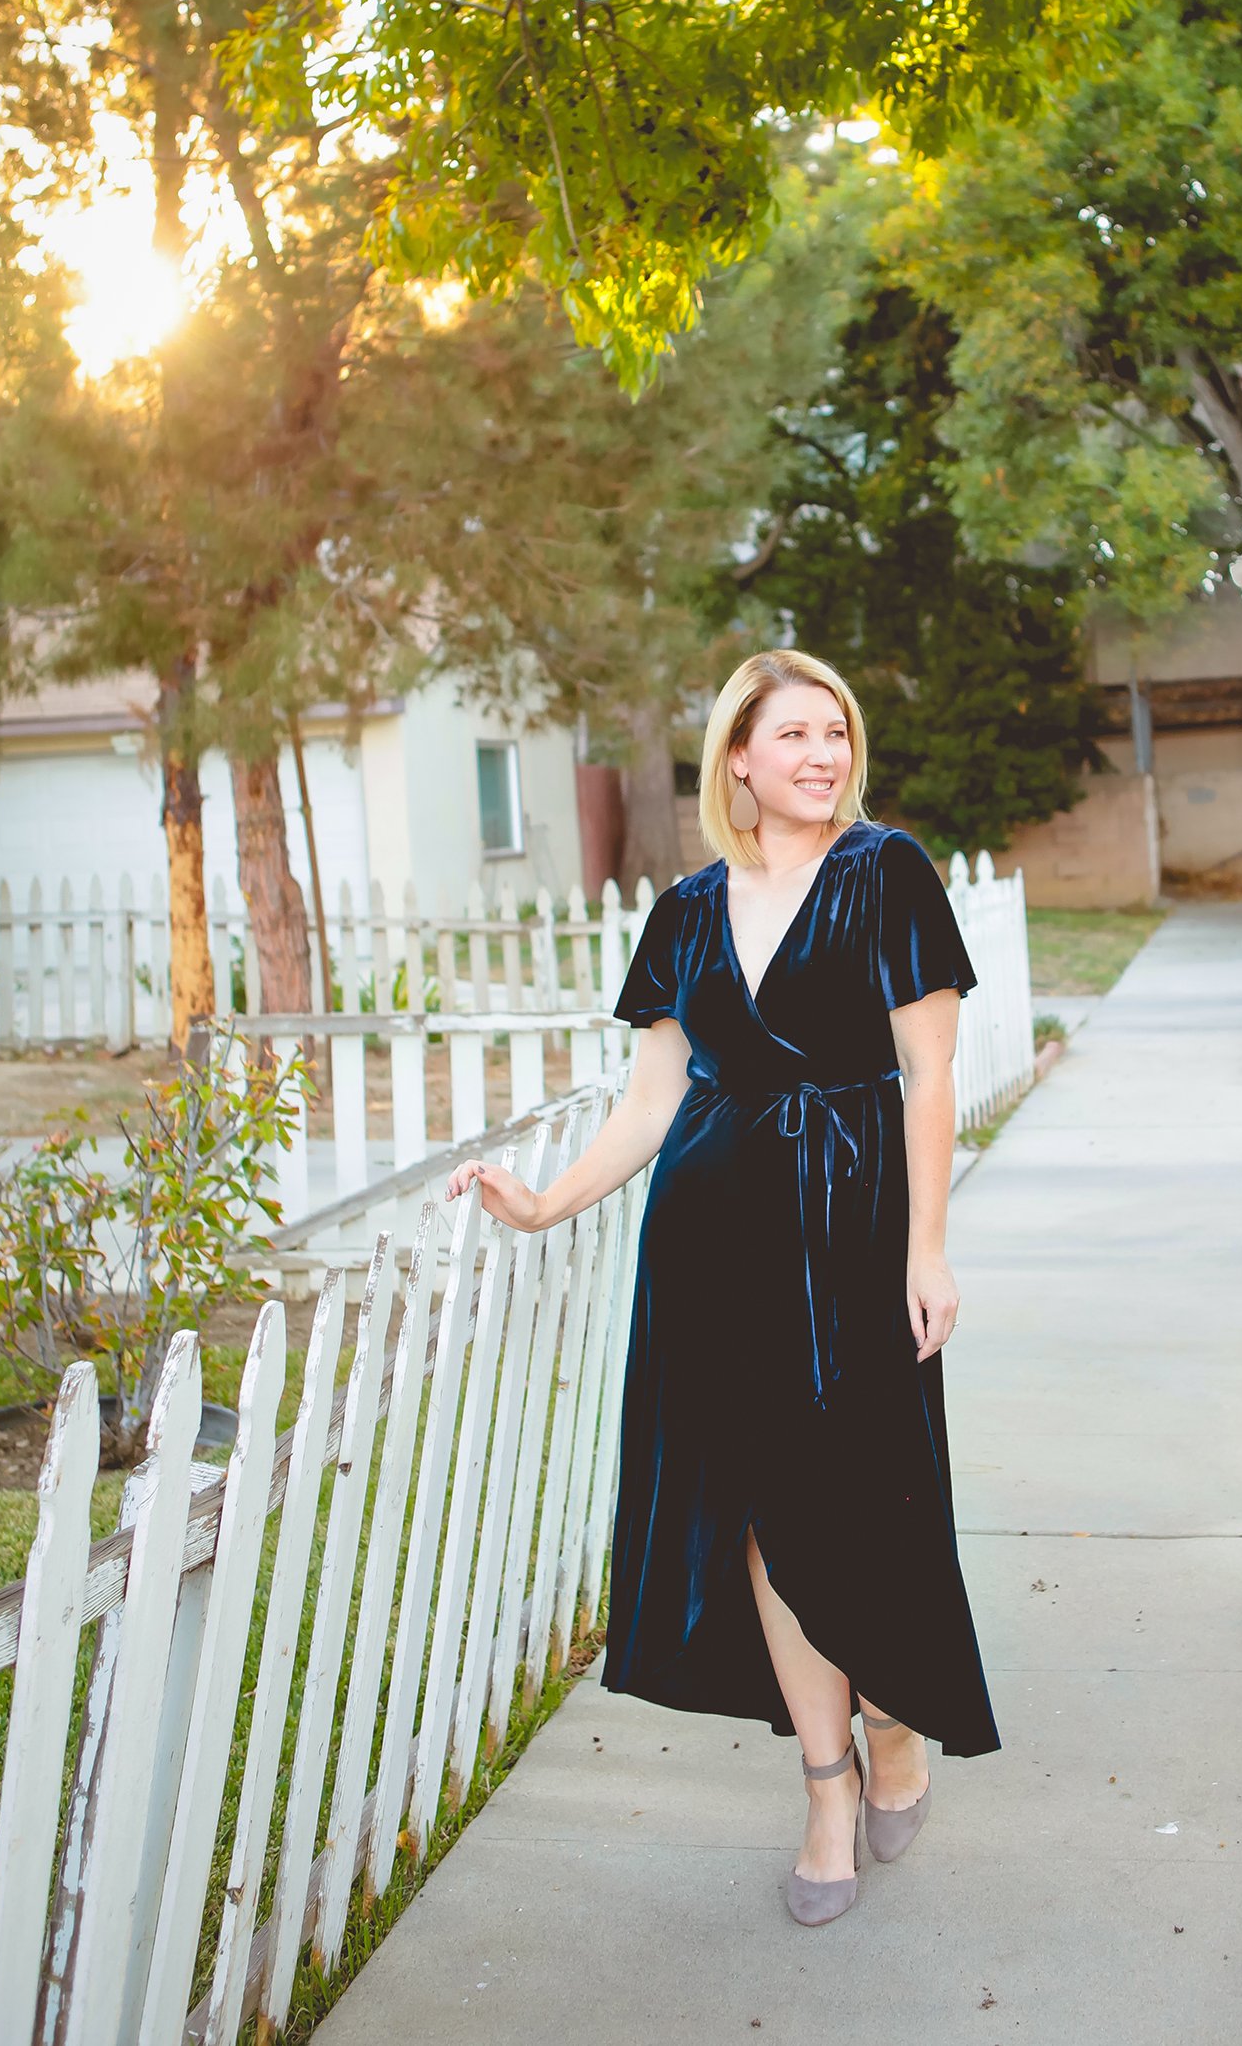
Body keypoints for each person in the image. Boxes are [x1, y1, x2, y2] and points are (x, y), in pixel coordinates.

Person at [447, 647, 999, 1927]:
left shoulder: (887, 872)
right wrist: (545, 1201)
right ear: (736, 760)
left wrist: (926, 1247)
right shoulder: (688, 908)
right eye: (793, 735)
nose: (822, 755)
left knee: (863, 1504)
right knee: (757, 1515)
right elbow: (654, 1101)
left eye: (836, 733)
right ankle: (823, 1785)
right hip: (710, 1244)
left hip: (853, 1236)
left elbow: (930, 1076)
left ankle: (895, 1716)